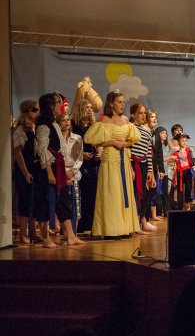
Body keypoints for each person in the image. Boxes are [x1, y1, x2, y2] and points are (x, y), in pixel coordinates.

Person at [84, 91, 141, 237]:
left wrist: (125, 144)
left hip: (123, 161)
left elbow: (133, 139)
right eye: (119, 102)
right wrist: (113, 142)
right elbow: (93, 140)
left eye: (123, 102)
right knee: (112, 194)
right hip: (110, 161)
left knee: (123, 194)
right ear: (111, 103)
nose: (122, 105)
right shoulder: (105, 120)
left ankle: (125, 228)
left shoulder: (126, 120)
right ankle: (111, 229)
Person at [33, 92, 85, 247]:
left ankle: (71, 236)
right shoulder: (43, 125)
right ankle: (45, 238)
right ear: (50, 106)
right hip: (46, 168)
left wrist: (65, 170)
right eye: (58, 103)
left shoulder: (54, 123)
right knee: (45, 200)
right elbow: (43, 150)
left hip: (58, 166)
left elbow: (61, 149)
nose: (60, 105)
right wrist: (50, 172)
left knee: (64, 200)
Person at [12, 100, 41, 244]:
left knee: (33, 201)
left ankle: (33, 232)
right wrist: (25, 172)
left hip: (34, 169)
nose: (37, 112)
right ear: (26, 112)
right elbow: (18, 153)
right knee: (24, 201)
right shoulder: (21, 129)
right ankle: (22, 234)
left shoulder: (34, 128)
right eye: (34, 110)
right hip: (24, 170)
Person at [71, 98, 101, 234]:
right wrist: (81, 154)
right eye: (87, 107)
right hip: (79, 163)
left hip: (92, 162)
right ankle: (80, 225)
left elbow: (97, 142)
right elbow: (70, 144)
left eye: (91, 108)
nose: (89, 110)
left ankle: (90, 224)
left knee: (92, 193)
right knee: (82, 193)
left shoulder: (92, 125)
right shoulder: (74, 125)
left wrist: (98, 153)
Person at [130, 103, 157, 231]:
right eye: (140, 113)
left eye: (144, 113)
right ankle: (136, 223)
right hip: (132, 164)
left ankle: (142, 220)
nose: (143, 115)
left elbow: (148, 153)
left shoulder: (147, 132)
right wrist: (130, 167)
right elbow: (127, 149)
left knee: (146, 193)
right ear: (133, 115)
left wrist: (150, 171)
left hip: (143, 165)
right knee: (134, 194)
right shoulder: (130, 128)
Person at [57, 114, 84, 234]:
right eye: (63, 120)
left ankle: (74, 232)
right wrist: (64, 173)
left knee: (76, 204)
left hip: (74, 174)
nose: (66, 122)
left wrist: (72, 171)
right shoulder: (57, 139)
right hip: (61, 174)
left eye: (68, 120)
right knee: (64, 204)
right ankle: (65, 231)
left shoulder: (77, 138)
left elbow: (79, 158)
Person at [172, 133, 195, 211]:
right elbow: (174, 163)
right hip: (180, 172)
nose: (184, 142)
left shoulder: (188, 149)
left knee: (188, 189)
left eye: (185, 141)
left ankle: (187, 207)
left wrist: (191, 151)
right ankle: (180, 208)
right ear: (178, 142)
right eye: (182, 141)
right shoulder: (176, 152)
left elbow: (191, 158)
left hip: (188, 171)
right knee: (180, 190)